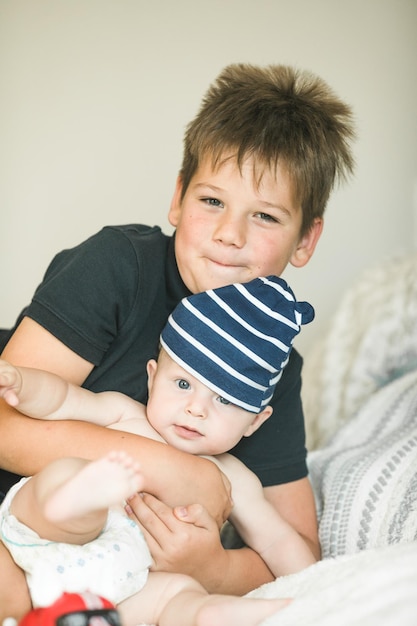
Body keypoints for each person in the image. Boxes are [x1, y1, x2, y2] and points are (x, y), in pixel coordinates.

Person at [0, 62, 355, 619]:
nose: (229, 234)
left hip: (109, 562)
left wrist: (212, 568)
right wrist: (180, 472)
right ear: (178, 197)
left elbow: (298, 548)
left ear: (306, 239)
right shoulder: (119, 266)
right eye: (212, 201)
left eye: (264, 216)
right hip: (21, 505)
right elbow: (4, 424)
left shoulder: (270, 364)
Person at [0, 277, 314, 624]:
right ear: (152, 377)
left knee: (176, 594)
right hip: (39, 539)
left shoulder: (236, 479)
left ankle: (209, 614)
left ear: (255, 422)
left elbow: (278, 543)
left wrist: (316, 585)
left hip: (119, 583)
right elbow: (62, 400)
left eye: (224, 399)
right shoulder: (125, 412)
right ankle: (82, 498)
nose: (196, 409)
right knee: (63, 476)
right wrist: (24, 384)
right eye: (183, 384)